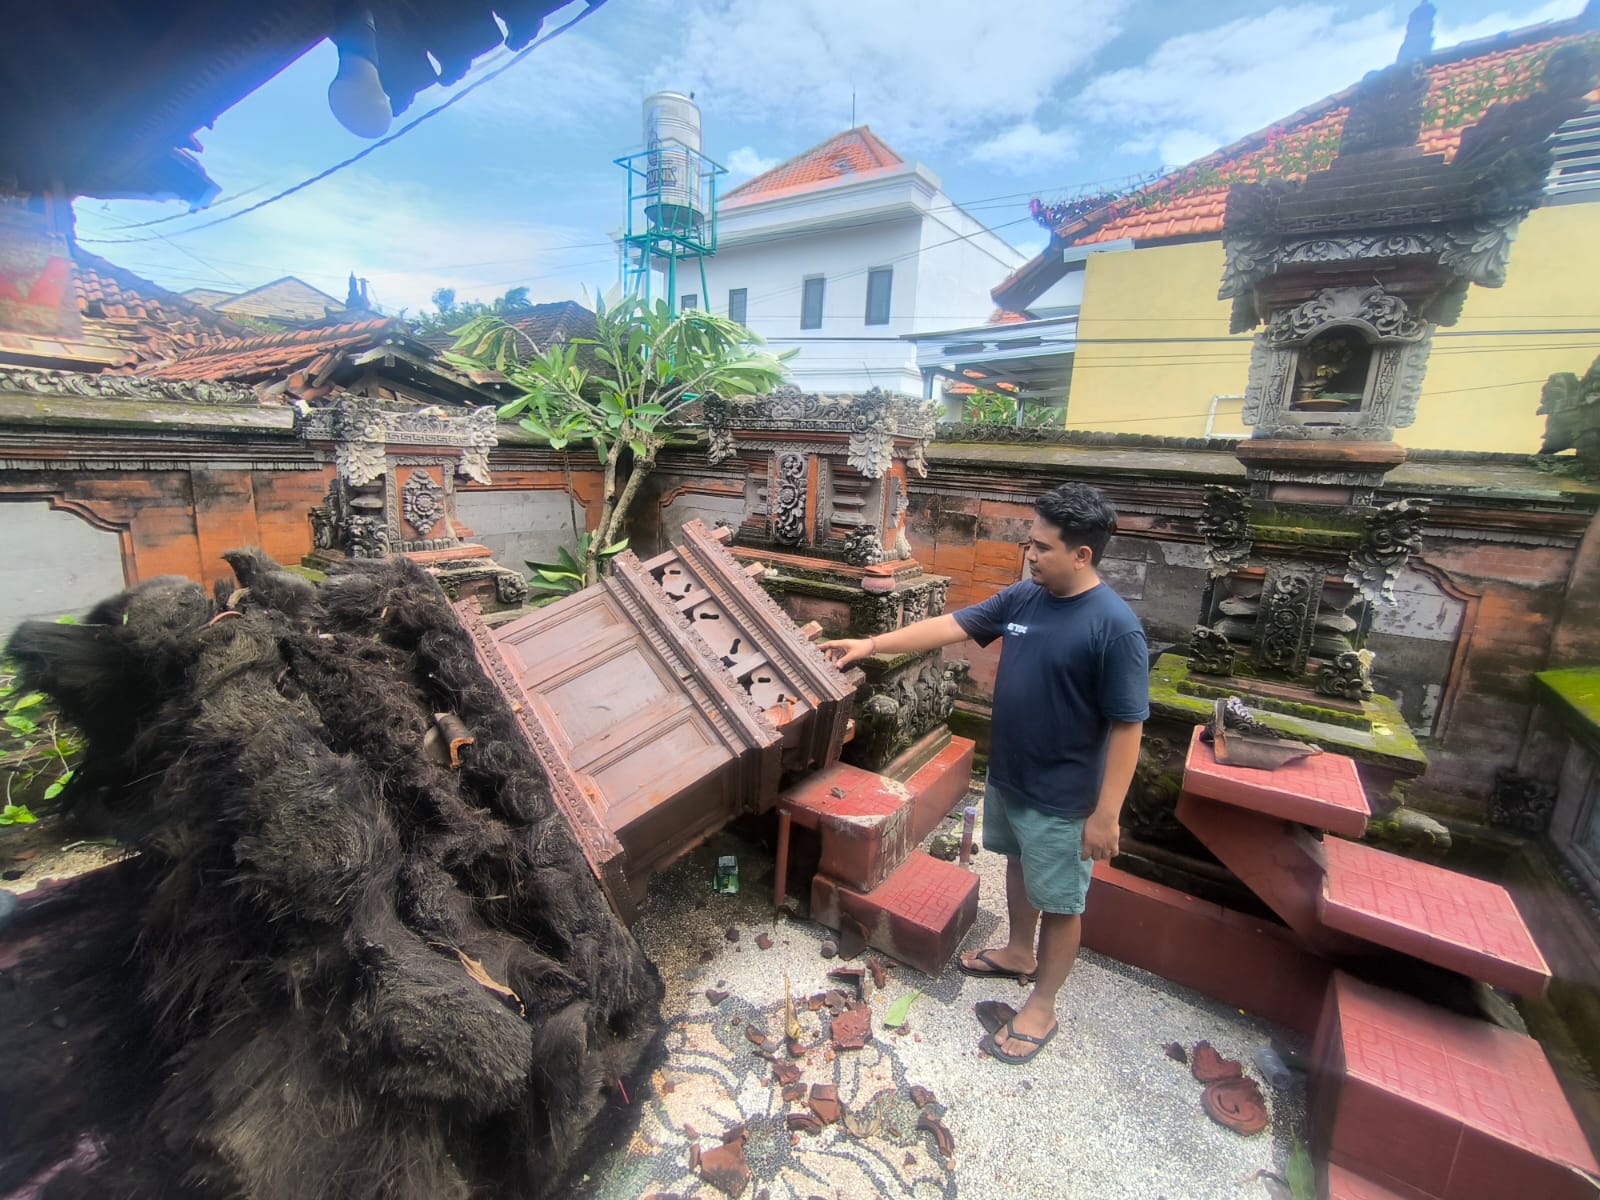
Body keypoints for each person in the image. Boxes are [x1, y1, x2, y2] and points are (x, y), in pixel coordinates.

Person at [821, 482, 1147, 1064]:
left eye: (1042, 547)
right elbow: (951, 627)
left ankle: (1042, 1004)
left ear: (1082, 555)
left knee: (1064, 902)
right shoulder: (1024, 599)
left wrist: (1106, 814)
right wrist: (869, 644)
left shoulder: (1114, 628)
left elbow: (1128, 727)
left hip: (1066, 797)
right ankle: (1021, 952)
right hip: (1012, 776)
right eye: (1030, 544)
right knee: (1019, 867)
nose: (1030, 555)